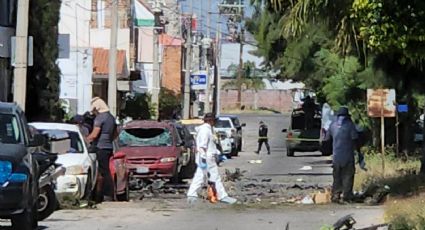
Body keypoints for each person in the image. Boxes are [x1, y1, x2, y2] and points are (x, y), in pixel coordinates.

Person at [187, 113, 237, 204]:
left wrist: (218, 153)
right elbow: (202, 146)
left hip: (207, 157)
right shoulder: (205, 130)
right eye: (214, 121)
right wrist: (203, 159)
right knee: (215, 177)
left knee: (200, 176)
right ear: (211, 121)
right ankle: (222, 196)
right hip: (207, 158)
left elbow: (210, 145)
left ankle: (191, 194)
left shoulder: (208, 129)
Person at [324, 106, 360, 203]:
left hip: (336, 156)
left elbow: (326, 139)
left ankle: (336, 195)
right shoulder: (350, 125)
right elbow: (355, 138)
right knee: (348, 176)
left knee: (337, 176)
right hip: (348, 155)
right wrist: (359, 152)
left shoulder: (332, 124)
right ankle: (347, 196)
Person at [86, 97, 118, 202]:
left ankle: (105, 194)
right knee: (106, 171)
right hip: (108, 147)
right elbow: (115, 134)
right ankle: (108, 194)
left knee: (102, 172)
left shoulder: (100, 118)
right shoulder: (111, 118)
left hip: (100, 147)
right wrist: (108, 139)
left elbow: (94, 135)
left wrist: (85, 140)